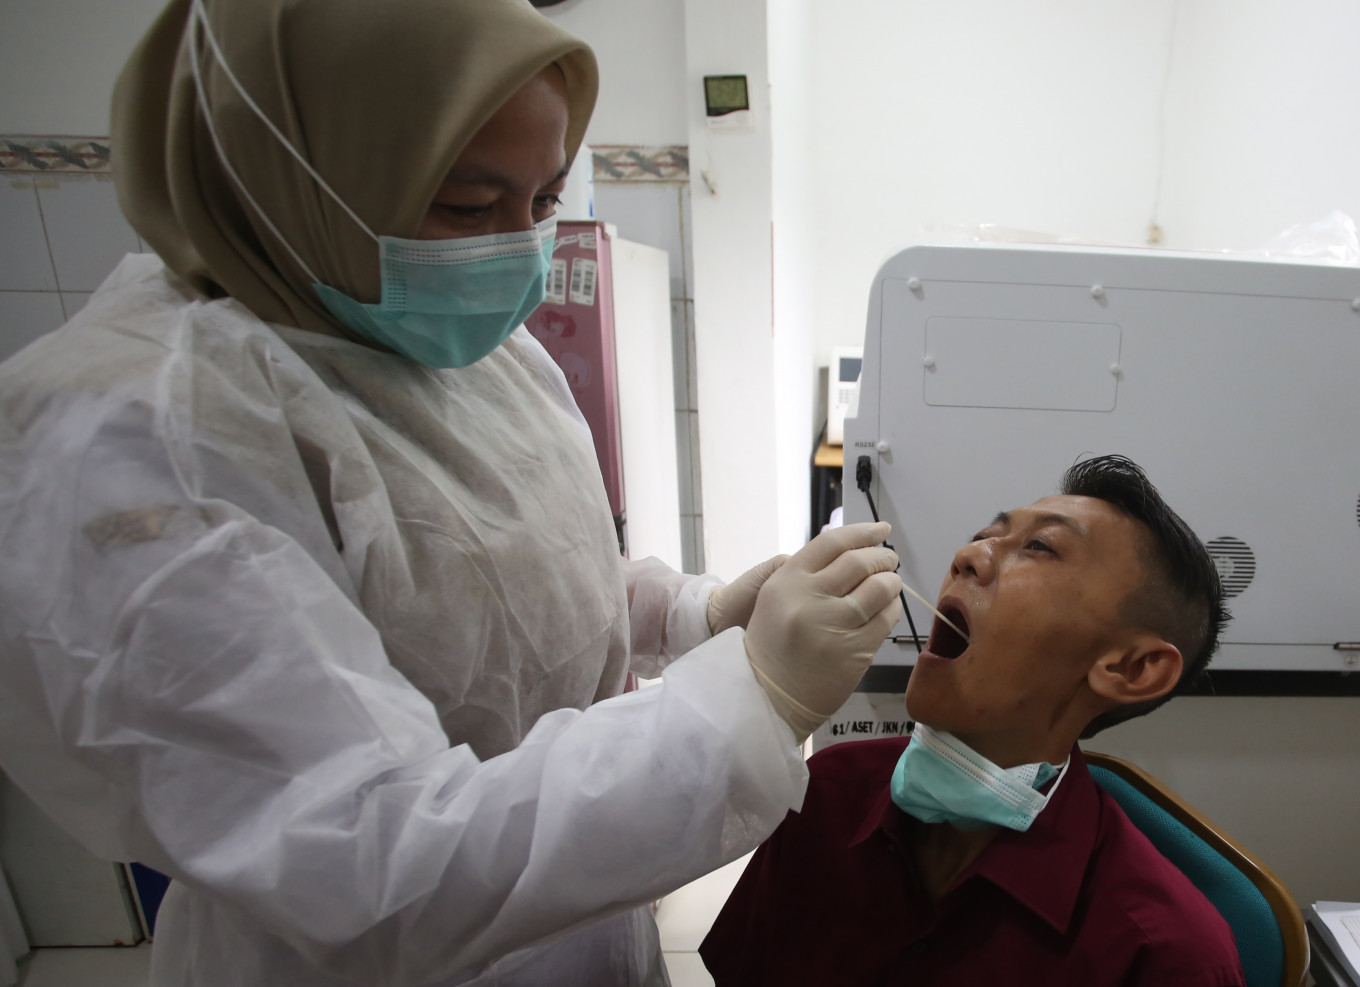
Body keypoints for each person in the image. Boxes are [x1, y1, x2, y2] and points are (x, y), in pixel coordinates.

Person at [0, 1, 904, 984]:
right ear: (294, 174)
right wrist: (749, 698)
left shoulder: (449, 337)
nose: (512, 249)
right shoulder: (143, 432)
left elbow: (498, 576)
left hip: (575, 929)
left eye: (544, 199)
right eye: (468, 207)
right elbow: (366, 868)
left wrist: (700, 614)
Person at [701, 455, 1247, 987]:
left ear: (1132, 668)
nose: (969, 556)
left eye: (1040, 548)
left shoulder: (1167, 957)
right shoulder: (829, 793)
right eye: (986, 533)